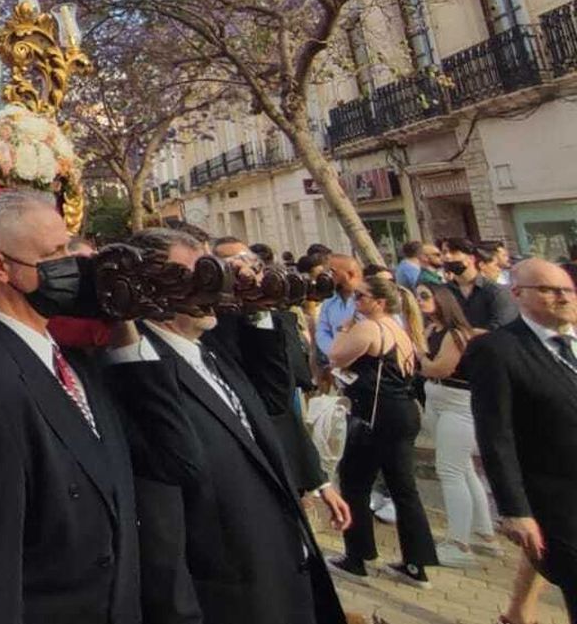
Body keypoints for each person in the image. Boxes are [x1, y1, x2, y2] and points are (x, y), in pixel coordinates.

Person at [102, 228, 347, 624]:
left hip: (287, 576)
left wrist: (257, 305)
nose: (213, 282)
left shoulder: (213, 352)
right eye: (195, 274)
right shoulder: (141, 373)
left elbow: (272, 402)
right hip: (232, 597)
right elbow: (162, 518)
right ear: (153, 287)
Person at [0, 189, 141, 624]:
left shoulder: (72, 358)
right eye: (55, 254)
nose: (72, 266)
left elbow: (168, 455)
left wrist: (125, 328)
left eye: (69, 247)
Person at [466, 258, 577, 621]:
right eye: (547, 289)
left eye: (566, 289)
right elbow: (496, 433)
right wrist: (515, 509)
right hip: (558, 499)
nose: (561, 297)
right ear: (517, 294)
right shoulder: (497, 349)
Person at [326, 275, 437, 584]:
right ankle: (416, 563)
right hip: (403, 412)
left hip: (375, 416)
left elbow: (335, 355)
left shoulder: (369, 328)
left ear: (379, 301)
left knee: (354, 482)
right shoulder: (400, 329)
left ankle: (357, 557)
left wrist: (345, 328)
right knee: (404, 488)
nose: (355, 302)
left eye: (361, 297)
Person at [206, 237, 325, 495]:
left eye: (249, 262)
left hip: (283, 455)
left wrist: (317, 477)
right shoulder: (211, 325)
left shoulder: (276, 316)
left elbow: (281, 398)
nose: (245, 273)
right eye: (230, 266)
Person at [414, 281, 494, 567]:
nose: (420, 301)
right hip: (437, 398)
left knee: (449, 471)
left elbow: (439, 367)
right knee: (463, 469)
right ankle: (483, 533)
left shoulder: (456, 334)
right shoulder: (432, 329)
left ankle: (458, 543)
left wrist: (420, 356)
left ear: (441, 300)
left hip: (457, 403)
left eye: (425, 296)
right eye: (418, 296)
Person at [443, 242, 518, 330]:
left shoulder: (496, 291)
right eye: (444, 252)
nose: (447, 257)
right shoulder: (443, 292)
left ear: (471, 259)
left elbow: (503, 324)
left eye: (455, 253)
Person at [314, 254, 362, 371]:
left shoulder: (369, 300)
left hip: (366, 365)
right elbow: (322, 331)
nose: (328, 277)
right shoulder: (329, 302)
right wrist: (335, 352)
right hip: (340, 367)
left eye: (332, 272)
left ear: (350, 274)